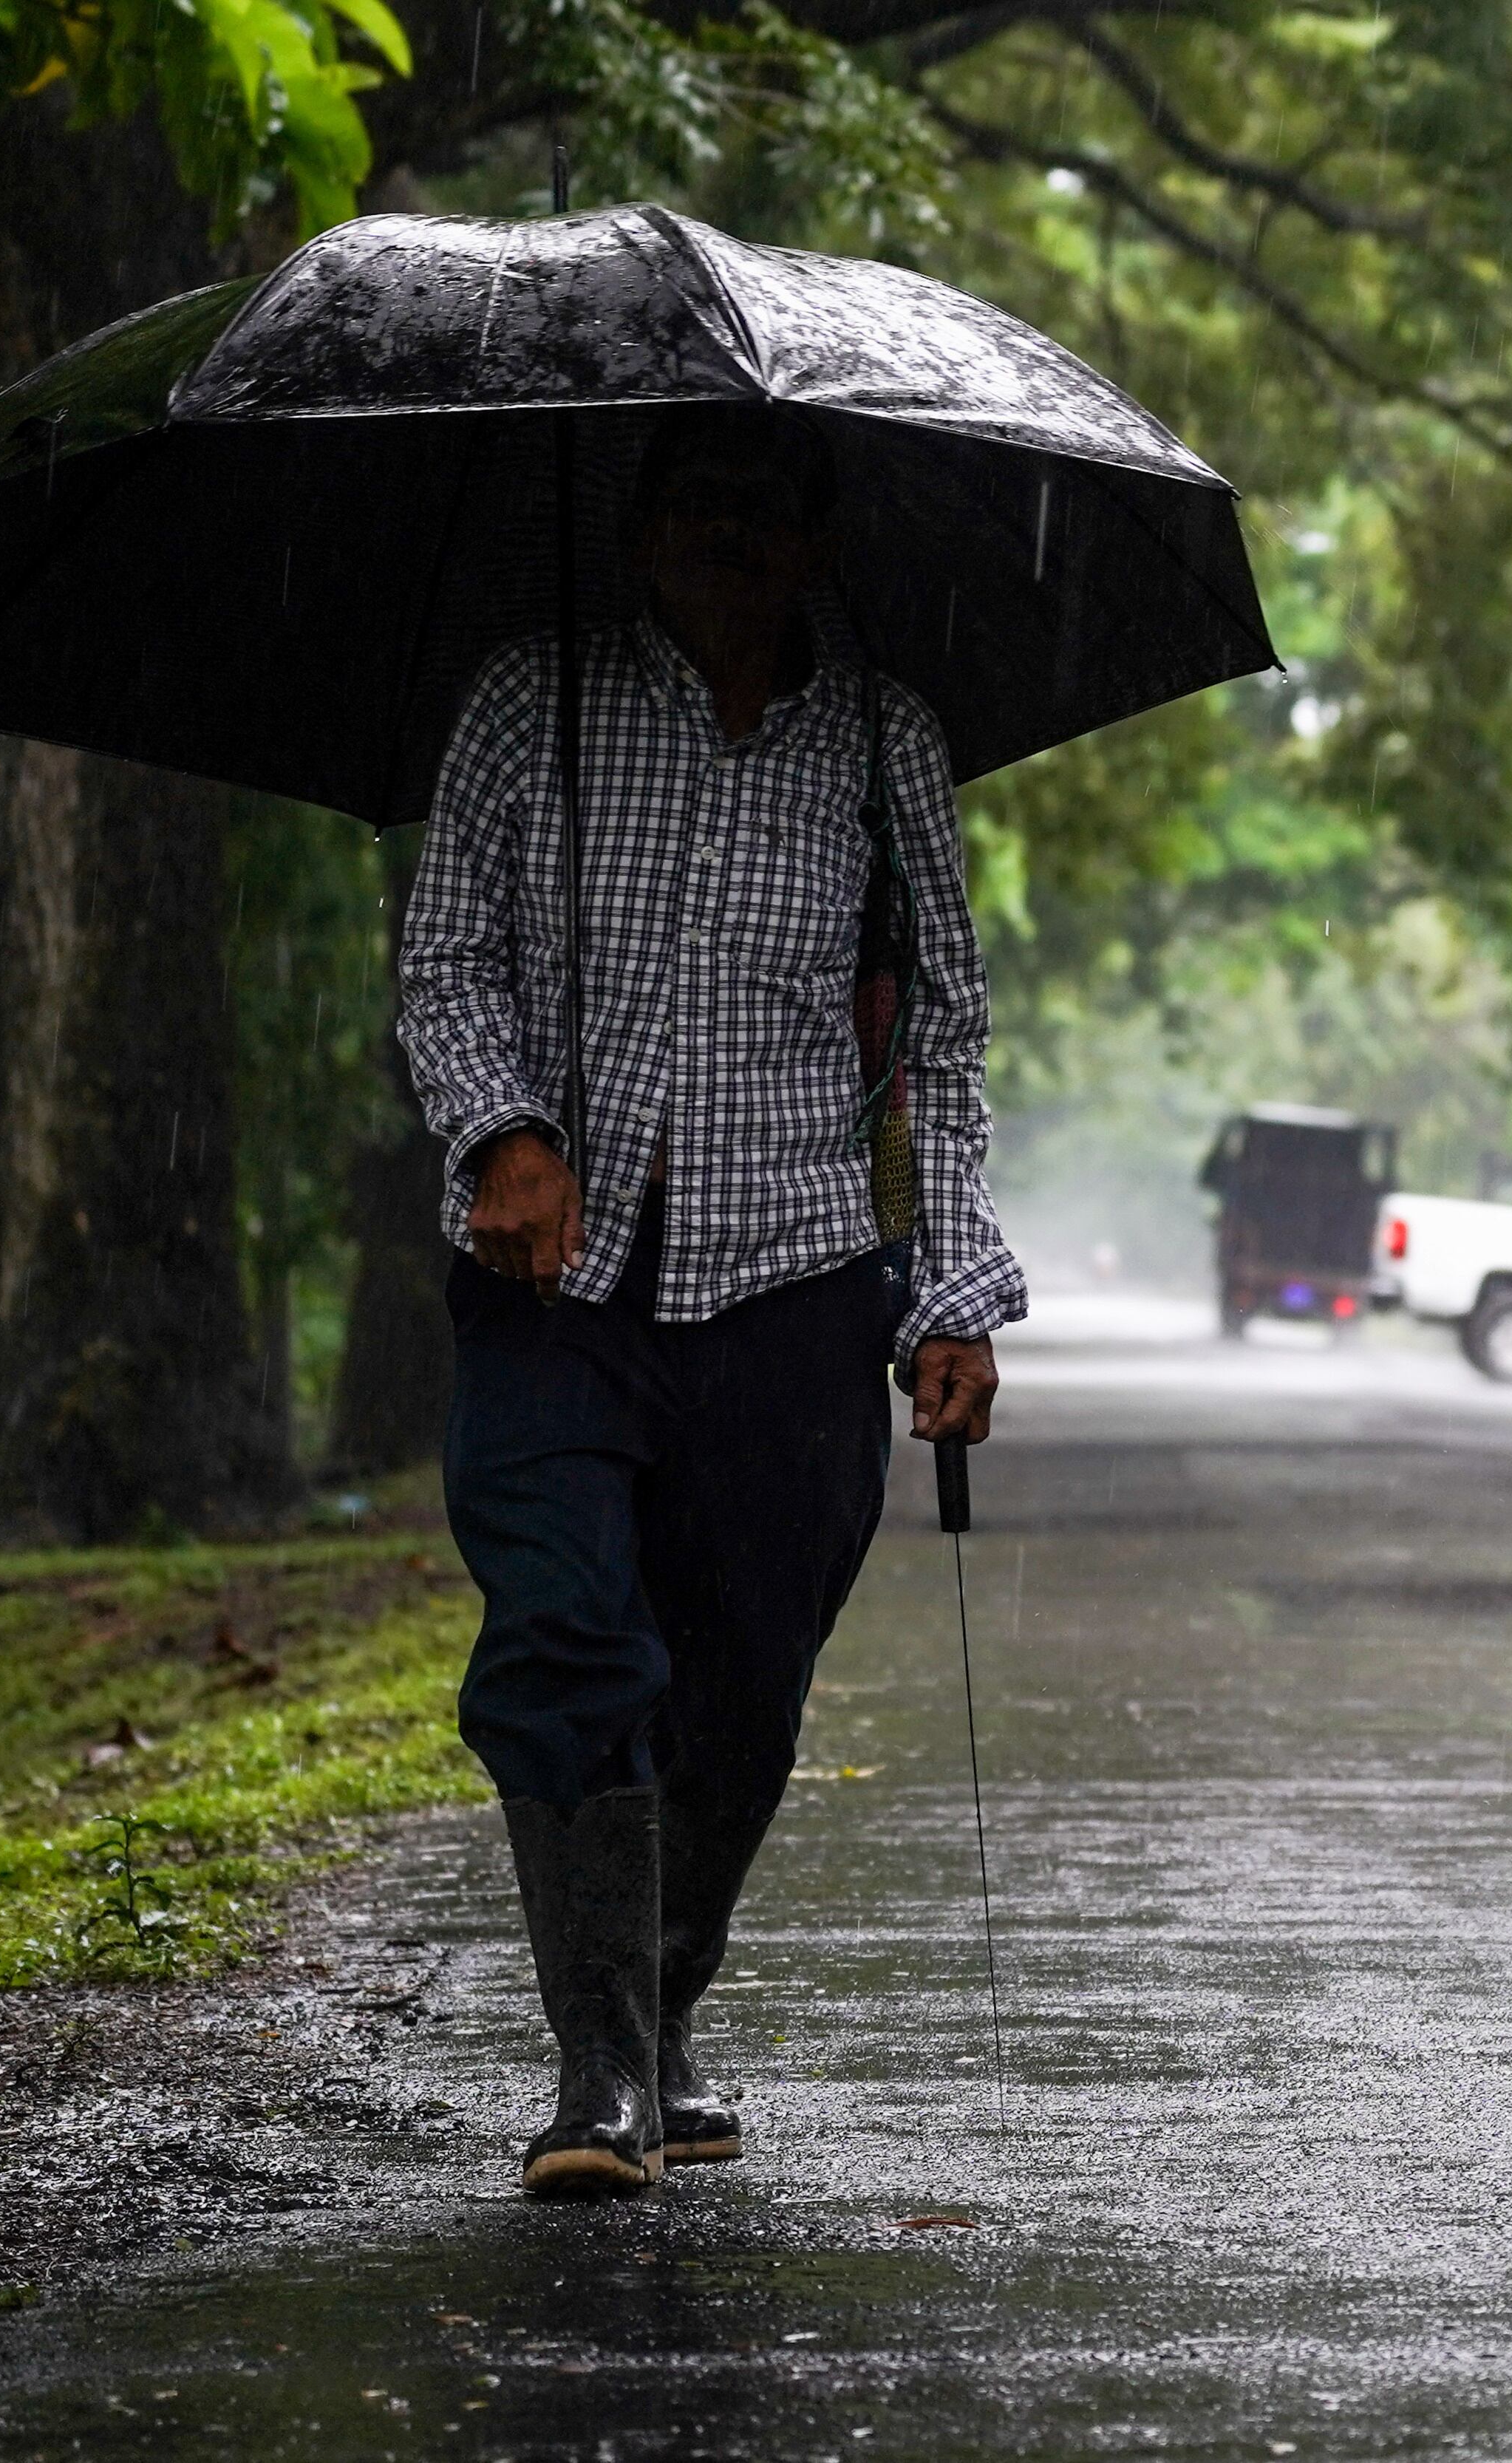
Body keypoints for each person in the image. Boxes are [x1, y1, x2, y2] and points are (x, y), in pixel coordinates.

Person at [396, 405, 1024, 2197]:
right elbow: (446, 961)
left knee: (746, 1686)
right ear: (641, 526)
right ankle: (594, 2072)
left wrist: (953, 1294)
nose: (722, 540)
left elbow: (942, 1044)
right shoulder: (539, 700)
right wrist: (504, 1130)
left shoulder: (883, 743)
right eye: (692, 505)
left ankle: (664, 2008)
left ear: (815, 545)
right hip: (554, 1277)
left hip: (796, 1285)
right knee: (571, 1631)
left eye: (760, 511)